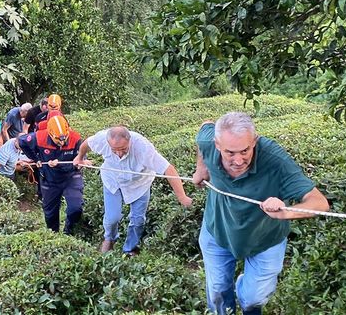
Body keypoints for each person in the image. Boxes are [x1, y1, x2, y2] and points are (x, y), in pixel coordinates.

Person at [192, 112, 330, 315]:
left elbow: (319, 203)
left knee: (253, 299)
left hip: (265, 238)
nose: (238, 160)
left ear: (254, 141)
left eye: (245, 150)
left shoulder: (275, 160)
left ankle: (244, 293)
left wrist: (285, 212)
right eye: (230, 153)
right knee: (217, 294)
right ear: (217, 144)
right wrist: (201, 167)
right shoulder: (208, 142)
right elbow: (204, 126)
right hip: (217, 231)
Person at [73, 126, 192, 256]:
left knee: (138, 219)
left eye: (123, 149)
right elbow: (86, 143)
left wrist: (182, 197)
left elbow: (168, 169)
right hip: (113, 180)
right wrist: (80, 158)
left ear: (129, 141)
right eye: (114, 150)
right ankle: (109, 238)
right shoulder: (101, 139)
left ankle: (130, 248)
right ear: (108, 143)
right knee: (112, 217)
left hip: (139, 183)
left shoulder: (143, 147)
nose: (119, 154)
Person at [18, 115, 91, 234]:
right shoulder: (39, 137)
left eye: (64, 139)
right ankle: (54, 235)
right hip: (50, 178)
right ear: (50, 133)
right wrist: (35, 158)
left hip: (71, 176)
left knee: (75, 208)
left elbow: (80, 160)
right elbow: (21, 141)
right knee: (50, 213)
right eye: (58, 139)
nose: (62, 142)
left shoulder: (75, 138)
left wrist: (79, 162)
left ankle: (69, 231)